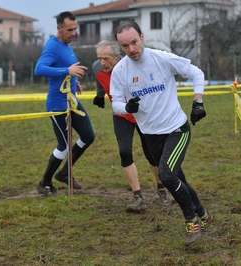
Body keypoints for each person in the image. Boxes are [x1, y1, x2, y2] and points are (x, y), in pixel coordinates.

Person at [110, 20, 212, 246]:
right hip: (150, 135)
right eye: (125, 46)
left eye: (134, 43)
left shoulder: (162, 58)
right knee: (178, 178)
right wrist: (126, 108)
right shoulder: (120, 71)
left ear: (142, 37)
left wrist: (198, 102)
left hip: (176, 129)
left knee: (166, 175)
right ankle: (204, 214)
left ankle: (191, 219)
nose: (131, 50)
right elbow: (115, 102)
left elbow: (196, 73)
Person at [92, 40, 171, 212]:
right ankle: (138, 196)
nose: (102, 63)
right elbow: (100, 79)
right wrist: (99, 94)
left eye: (106, 58)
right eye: (99, 58)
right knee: (124, 152)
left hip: (143, 114)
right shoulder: (97, 67)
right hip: (121, 115)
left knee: (151, 154)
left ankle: (162, 188)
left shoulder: (131, 67)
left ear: (117, 57)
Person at [34, 11, 95, 196]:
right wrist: (67, 70)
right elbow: (39, 69)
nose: (73, 33)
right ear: (59, 28)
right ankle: (44, 182)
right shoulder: (52, 46)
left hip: (71, 100)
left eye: (75, 29)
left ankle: (64, 172)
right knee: (64, 145)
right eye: (69, 30)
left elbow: (65, 71)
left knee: (88, 136)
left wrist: (72, 80)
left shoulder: (67, 45)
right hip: (57, 104)